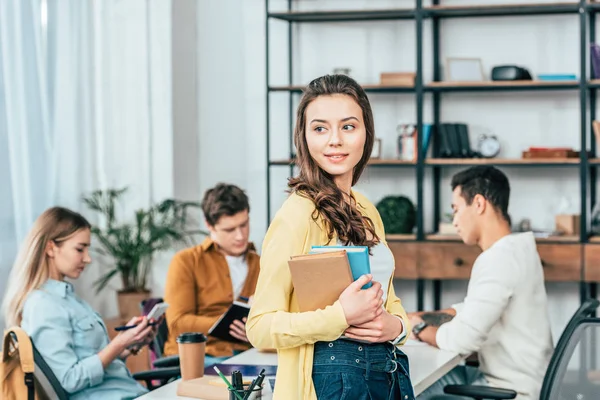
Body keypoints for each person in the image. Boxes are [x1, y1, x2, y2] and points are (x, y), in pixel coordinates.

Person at [246, 74, 414, 400]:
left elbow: (388, 298)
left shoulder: (366, 208)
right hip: (330, 382)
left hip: (386, 371)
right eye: (320, 128)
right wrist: (340, 317)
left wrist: (398, 327)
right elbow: (259, 328)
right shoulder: (296, 216)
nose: (334, 140)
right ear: (304, 137)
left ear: (367, 134)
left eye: (348, 127)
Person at [410, 166, 554, 400]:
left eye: (455, 210)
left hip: (508, 389)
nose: (455, 221)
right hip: (517, 379)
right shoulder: (519, 249)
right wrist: (419, 316)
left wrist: (419, 329)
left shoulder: (498, 259)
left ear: (478, 203)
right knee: (412, 383)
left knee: (405, 389)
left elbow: (464, 340)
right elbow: (475, 308)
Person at [1, 207, 155, 400]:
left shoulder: (68, 299)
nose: (87, 258)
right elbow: (69, 379)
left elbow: (93, 359)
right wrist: (118, 343)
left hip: (130, 393)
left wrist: (129, 343)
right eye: (80, 249)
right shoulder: (43, 306)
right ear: (50, 248)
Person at [163, 183, 260, 365]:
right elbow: (177, 323)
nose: (240, 236)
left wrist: (257, 330)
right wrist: (230, 325)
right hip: (200, 357)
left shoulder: (261, 264)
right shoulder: (186, 261)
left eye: (244, 225)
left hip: (247, 356)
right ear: (209, 225)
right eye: (229, 230)